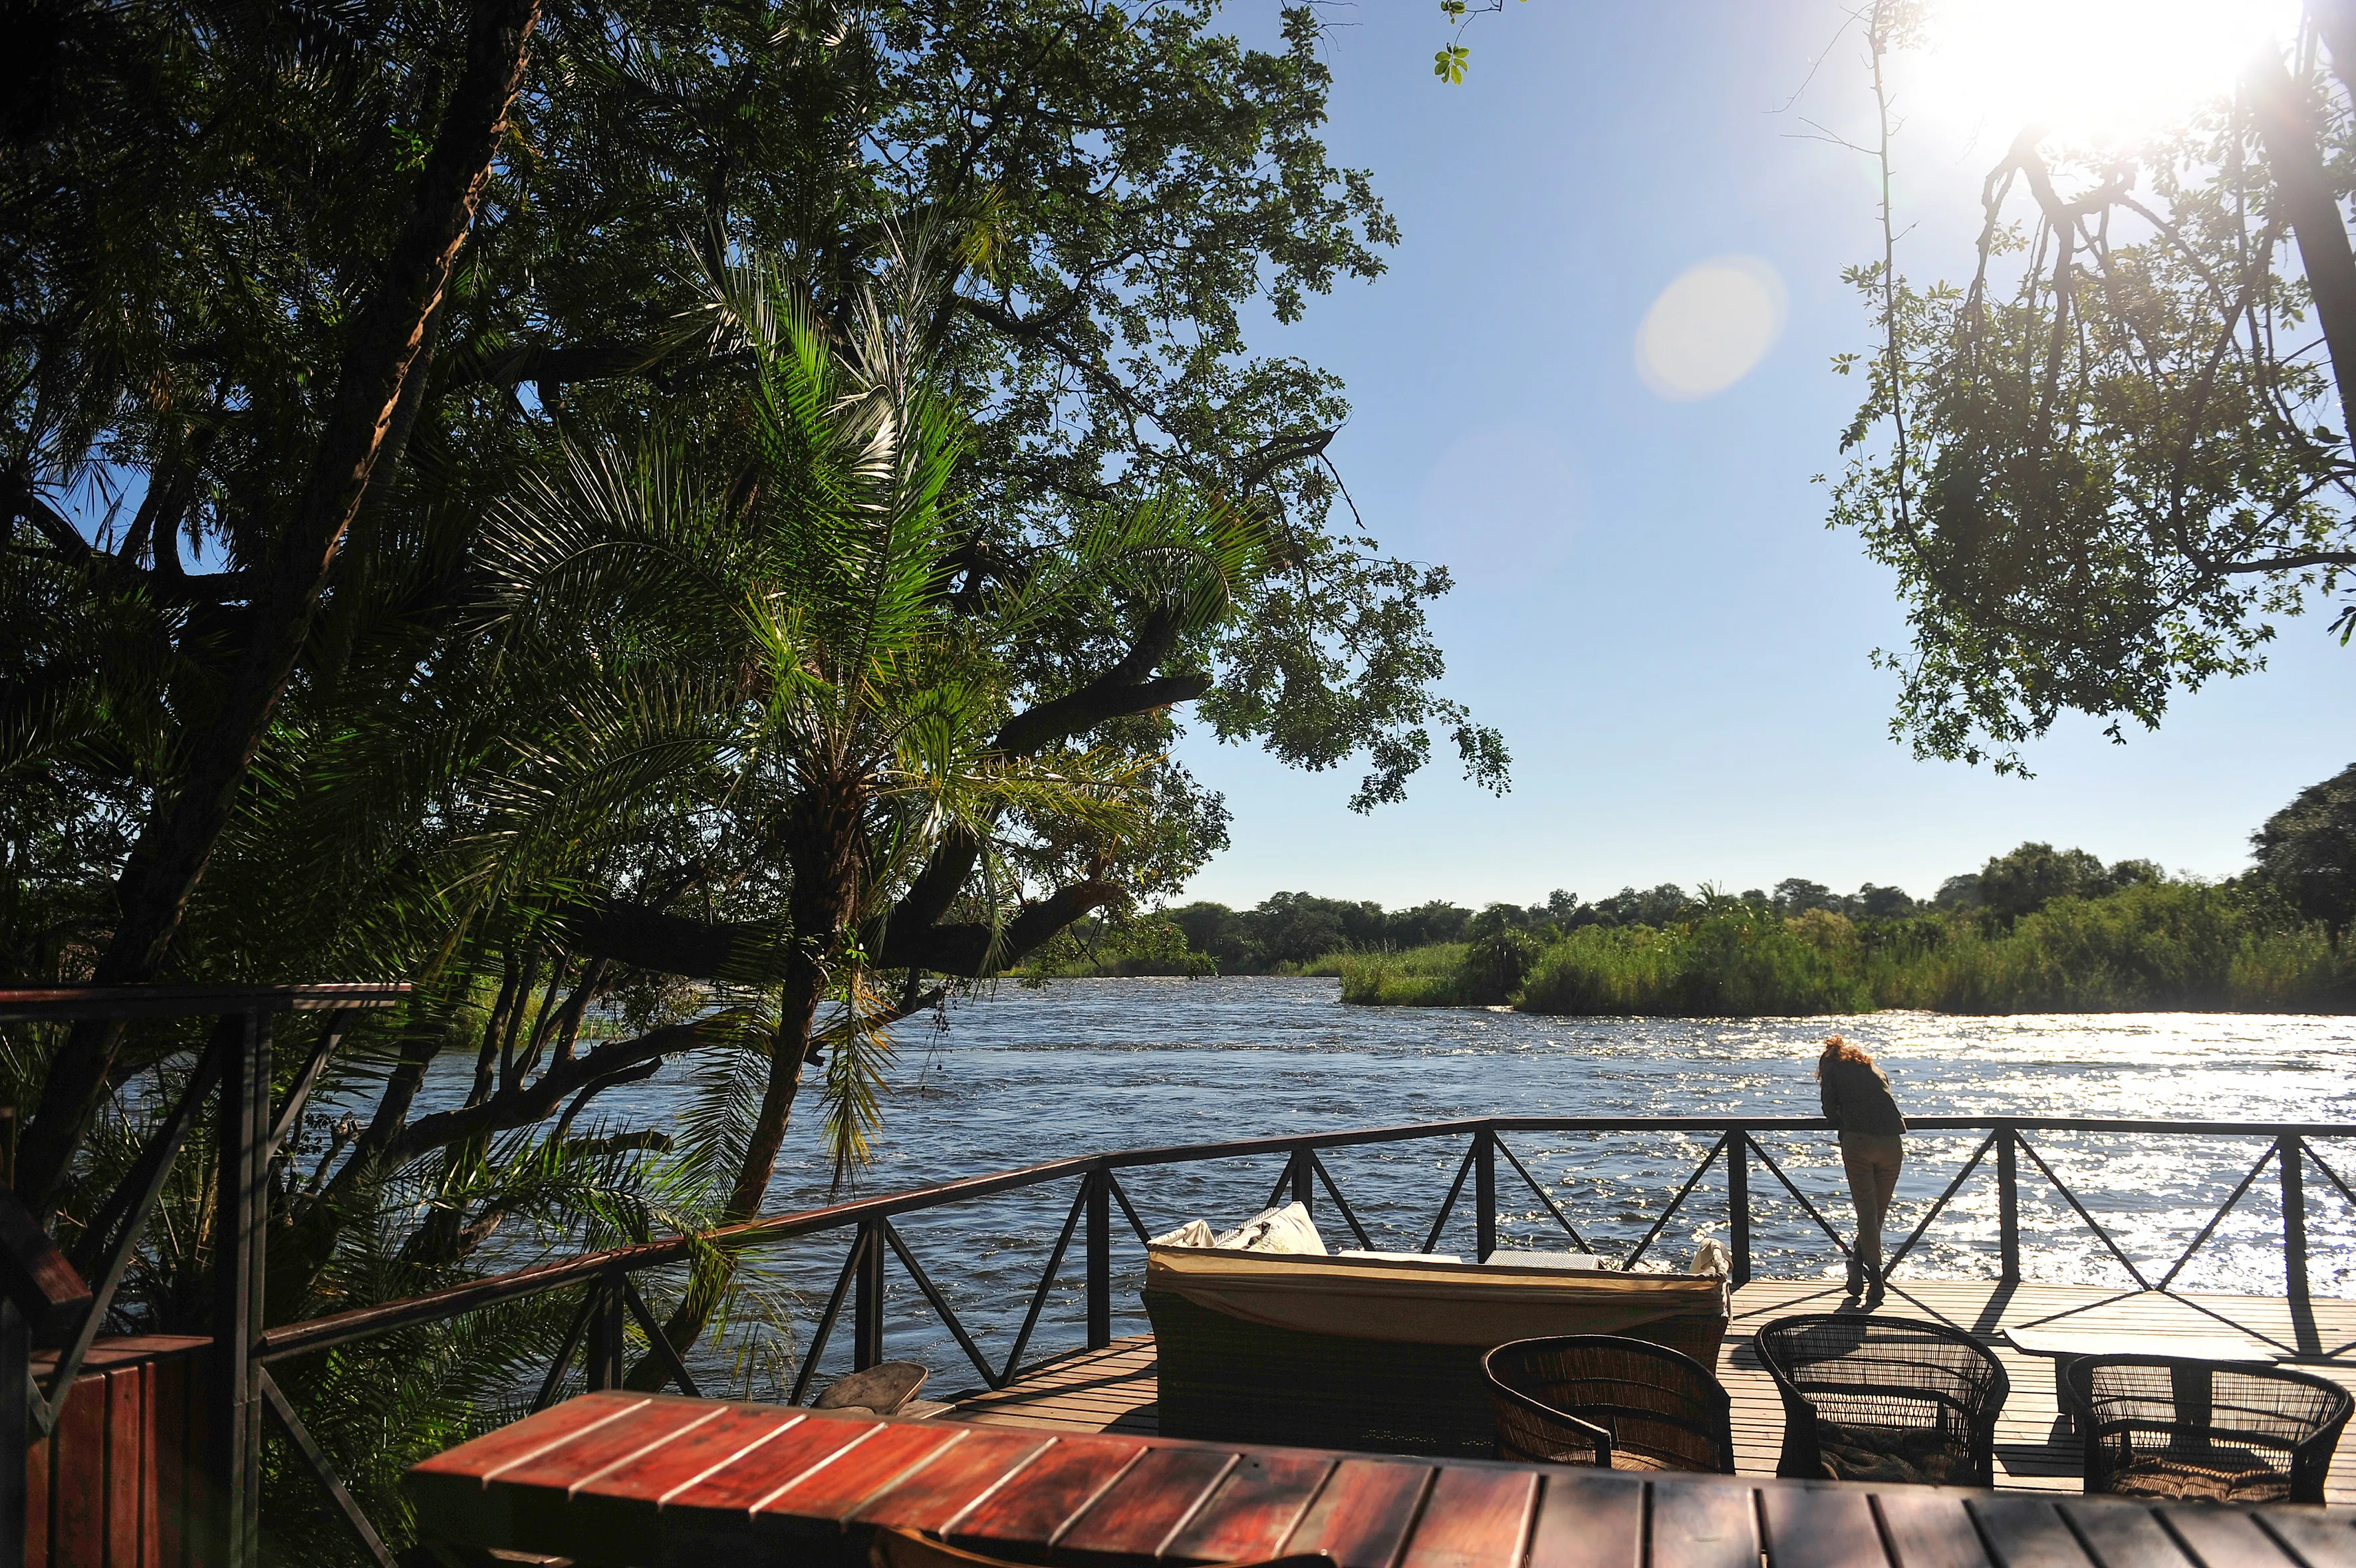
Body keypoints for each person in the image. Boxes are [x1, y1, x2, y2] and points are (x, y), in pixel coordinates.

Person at [1816, 1034, 1905, 1303]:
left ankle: (1875, 1278)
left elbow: (1829, 1110)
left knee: (1867, 1211)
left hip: (1859, 1141)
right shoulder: (1873, 1068)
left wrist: (1840, 1116)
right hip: (1892, 1141)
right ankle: (1857, 1261)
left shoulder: (1832, 1069)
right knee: (1877, 1213)